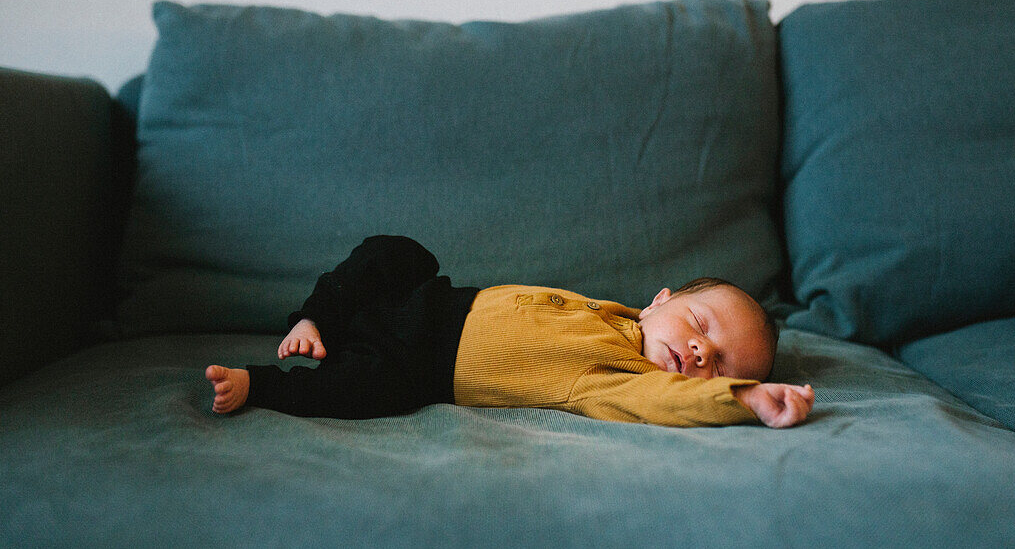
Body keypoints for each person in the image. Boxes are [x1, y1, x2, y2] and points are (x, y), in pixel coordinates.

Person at [206, 236, 814, 428]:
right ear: (660, 301)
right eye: (701, 325)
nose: (703, 351)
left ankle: (260, 385)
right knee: (397, 253)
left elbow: (658, 399)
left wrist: (745, 399)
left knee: (360, 392)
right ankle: (316, 318)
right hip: (436, 302)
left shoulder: (613, 378)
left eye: (723, 365)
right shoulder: (624, 317)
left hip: (423, 369)